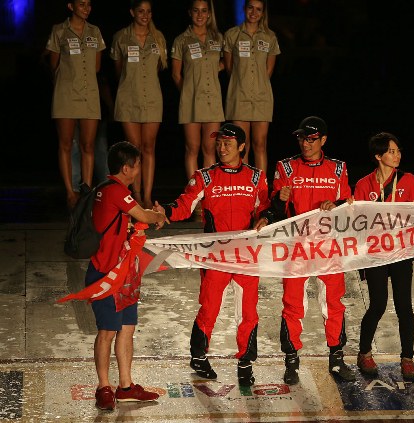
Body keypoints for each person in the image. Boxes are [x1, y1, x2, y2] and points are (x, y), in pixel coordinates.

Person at [154, 123, 275, 387]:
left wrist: (267, 215)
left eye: (228, 143)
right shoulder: (204, 176)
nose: (221, 148)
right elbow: (184, 205)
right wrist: (165, 210)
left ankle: (245, 363)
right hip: (215, 257)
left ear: (242, 147)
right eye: (219, 143)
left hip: (246, 257)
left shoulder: (257, 177)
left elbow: (267, 207)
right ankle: (198, 357)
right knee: (209, 308)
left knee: (248, 313)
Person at [270, 116, 355, 384]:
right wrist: (277, 199)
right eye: (302, 138)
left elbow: (347, 205)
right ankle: (291, 360)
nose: (305, 144)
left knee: (333, 304)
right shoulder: (285, 167)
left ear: (323, 140)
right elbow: (271, 210)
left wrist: (338, 204)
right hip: (296, 247)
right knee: (292, 305)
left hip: (329, 247)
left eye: (311, 139)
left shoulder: (339, 169)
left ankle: (337, 358)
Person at [88, 141, 168, 411]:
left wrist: (143, 220)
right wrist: (158, 215)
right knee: (107, 331)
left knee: (126, 329)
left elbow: (130, 221)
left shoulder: (108, 190)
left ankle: (125, 386)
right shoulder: (115, 191)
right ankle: (103, 387)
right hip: (106, 273)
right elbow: (143, 214)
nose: (138, 171)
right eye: (136, 166)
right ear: (126, 168)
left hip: (125, 273)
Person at [351, 132, 414, 381]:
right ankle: (364, 353)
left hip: (402, 252)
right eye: (391, 152)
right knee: (378, 304)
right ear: (378, 156)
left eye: (398, 151)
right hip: (376, 255)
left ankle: (407, 358)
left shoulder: (409, 179)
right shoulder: (363, 185)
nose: (397, 155)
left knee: (405, 306)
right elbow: (357, 223)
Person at [46, 0, 106, 208]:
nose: (87, 8)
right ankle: (70, 192)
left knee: (88, 144)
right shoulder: (59, 31)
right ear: (71, 6)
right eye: (82, 4)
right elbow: (53, 64)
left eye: (89, 4)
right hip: (66, 94)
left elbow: (97, 67)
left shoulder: (95, 31)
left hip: (89, 94)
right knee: (66, 143)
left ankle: (87, 190)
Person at [111, 0, 167, 208]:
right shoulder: (121, 37)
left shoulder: (158, 38)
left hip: (152, 98)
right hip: (129, 98)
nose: (145, 15)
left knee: (149, 147)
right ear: (132, 12)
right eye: (141, 11)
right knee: (134, 148)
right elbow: (119, 70)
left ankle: (147, 195)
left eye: (148, 11)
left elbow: (160, 68)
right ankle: (135, 194)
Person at [223, 0, 281, 176]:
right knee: (242, 145)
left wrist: (256, 86)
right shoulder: (232, 34)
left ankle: (261, 189)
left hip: (262, 97)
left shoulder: (270, 37)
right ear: (244, 9)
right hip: (239, 96)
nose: (254, 13)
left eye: (258, 9)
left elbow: (269, 71)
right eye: (250, 8)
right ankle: (245, 186)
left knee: (260, 144)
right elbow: (229, 68)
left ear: (263, 13)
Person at [171, 0, 225, 179]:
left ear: (209, 14)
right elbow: (176, 74)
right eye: (196, 11)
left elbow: (228, 62)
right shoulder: (182, 40)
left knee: (210, 148)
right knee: (192, 148)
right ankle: (194, 196)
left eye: (204, 11)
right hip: (191, 101)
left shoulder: (218, 38)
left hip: (213, 101)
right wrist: (188, 93)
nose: (200, 15)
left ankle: (208, 193)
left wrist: (214, 68)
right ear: (190, 13)